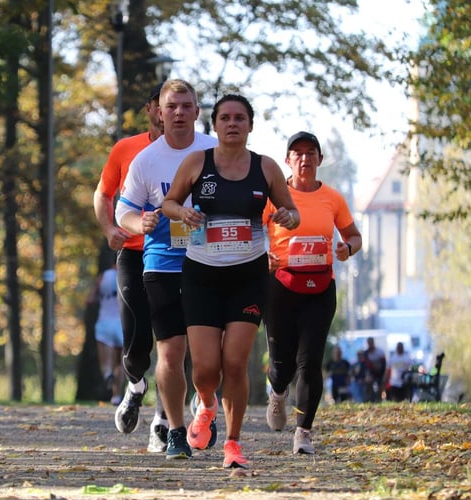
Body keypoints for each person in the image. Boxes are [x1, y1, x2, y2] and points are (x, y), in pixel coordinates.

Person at [161, 93, 299, 469]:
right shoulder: (196, 163)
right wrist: (183, 212)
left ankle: (234, 444)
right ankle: (206, 405)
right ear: (215, 125)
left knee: (235, 363)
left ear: (250, 126)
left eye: (240, 118)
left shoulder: (266, 167)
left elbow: (291, 210)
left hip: (247, 276)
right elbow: (168, 203)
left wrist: (288, 216)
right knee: (206, 370)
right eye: (225, 118)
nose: (233, 124)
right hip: (201, 276)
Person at [115, 78, 217, 459]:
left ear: (196, 111)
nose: (178, 113)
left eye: (185, 106)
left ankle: (205, 405)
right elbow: (123, 209)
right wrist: (134, 224)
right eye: (170, 106)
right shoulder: (146, 160)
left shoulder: (214, 150)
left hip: (211, 263)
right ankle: (174, 430)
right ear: (159, 112)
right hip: (163, 265)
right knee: (171, 354)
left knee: (211, 359)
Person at [262, 131, 362, 455]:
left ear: (320, 159)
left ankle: (304, 431)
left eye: (311, 153)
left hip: (320, 286)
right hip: (281, 286)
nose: (305, 158)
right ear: (288, 160)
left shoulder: (332, 198)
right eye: (298, 153)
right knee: (283, 363)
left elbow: (354, 235)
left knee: (311, 361)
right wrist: (264, 254)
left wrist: (347, 248)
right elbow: (253, 233)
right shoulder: (272, 196)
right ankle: (277, 391)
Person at [93, 83, 169, 452]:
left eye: (180, 105)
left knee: (174, 343)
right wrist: (110, 229)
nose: (170, 112)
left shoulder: (200, 151)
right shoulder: (127, 148)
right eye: (163, 105)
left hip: (178, 255)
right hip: (135, 250)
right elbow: (104, 193)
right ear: (151, 109)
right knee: (135, 339)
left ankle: (165, 421)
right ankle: (136, 385)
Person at [87, 259, 124, 405]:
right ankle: (116, 396)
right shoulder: (126, 274)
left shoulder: (102, 277)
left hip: (104, 323)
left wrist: (99, 298)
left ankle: (108, 374)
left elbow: (89, 299)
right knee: (120, 363)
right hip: (122, 323)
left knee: (106, 362)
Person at [364, 336, 387, 402]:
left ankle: (379, 400)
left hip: (380, 373)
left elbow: (384, 364)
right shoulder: (366, 353)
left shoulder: (380, 352)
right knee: (368, 384)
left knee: (380, 387)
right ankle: (369, 399)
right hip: (371, 374)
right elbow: (365, 365)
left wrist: (382, 375)